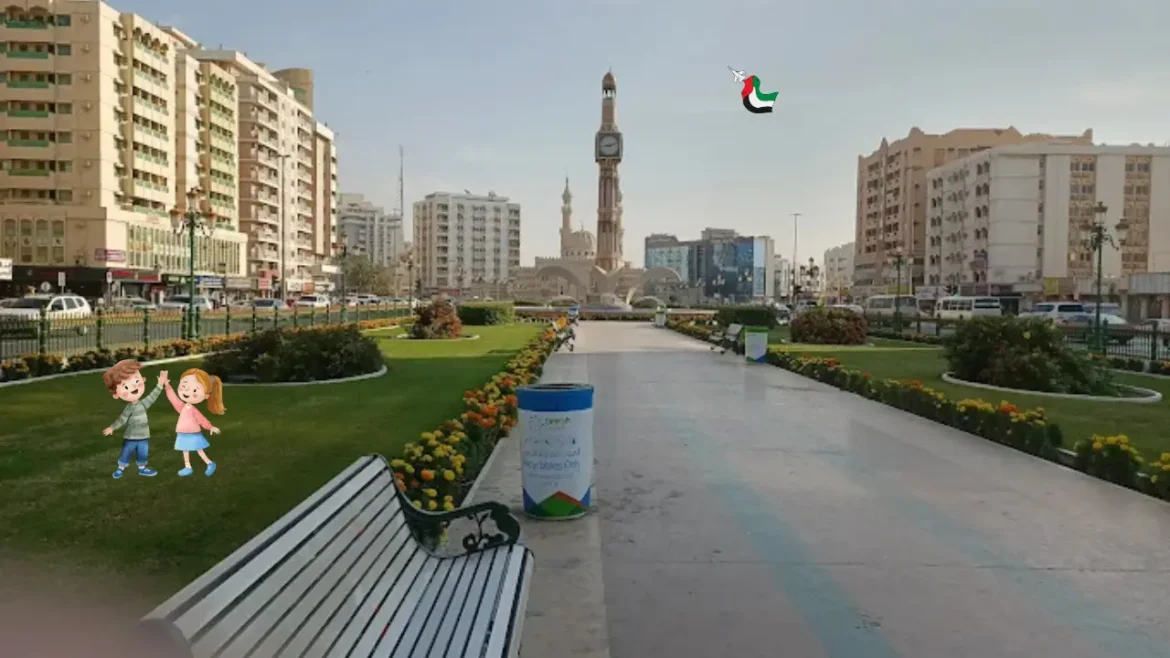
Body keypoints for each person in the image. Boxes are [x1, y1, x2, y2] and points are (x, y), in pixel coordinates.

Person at [101, 360, 164, 479]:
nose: (134, 386)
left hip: (144, 436)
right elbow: (122, 419)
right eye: (125, 386)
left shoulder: (143, 404)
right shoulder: (129, 408)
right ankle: (120, 469)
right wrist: (112, 427)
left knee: (143, 453)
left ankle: (142, 469)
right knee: (126, 453)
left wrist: (160, 384)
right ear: (116, 394)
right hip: (131, 437)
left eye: (136, 381)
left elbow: (153, 396)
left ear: (143, 379)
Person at [164, 368, 225, 477]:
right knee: (185, 450)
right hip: (182, 433)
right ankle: (188, 467)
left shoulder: (192, 409)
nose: (187, 391)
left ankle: (209, 463)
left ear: (206, 396)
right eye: (184, 386)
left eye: (195, 390)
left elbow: (201, 419)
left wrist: (209, 427)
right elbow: (174, 399)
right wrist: (167, 387)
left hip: (193, 432)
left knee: (198, 449)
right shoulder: (182, 407)